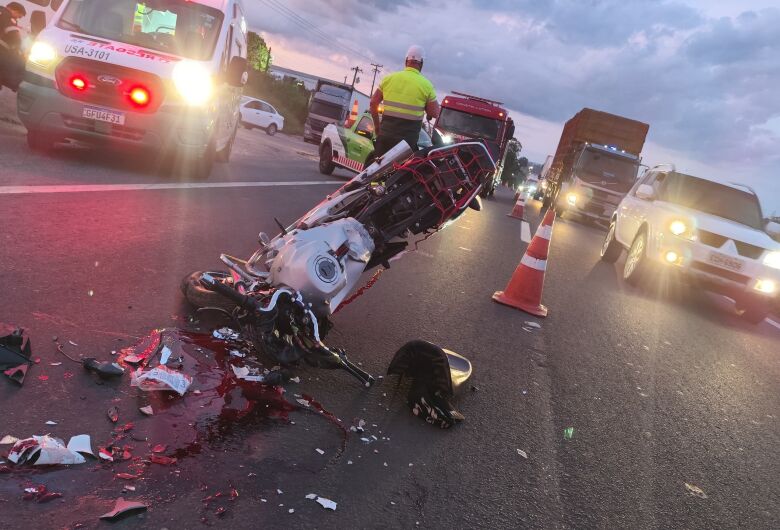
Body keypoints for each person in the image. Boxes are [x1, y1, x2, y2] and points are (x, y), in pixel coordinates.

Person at [370, 45, 440, 157]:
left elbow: (373, 103)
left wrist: (377, 128)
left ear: (406, 60)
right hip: (407, 143)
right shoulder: (426, 85)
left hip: (385, 137)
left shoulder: (389, 79)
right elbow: (435, 113)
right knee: (401, 172)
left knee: (377, 170)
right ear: (421, 63)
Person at [0, 2, 26, 91]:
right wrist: (19, 48)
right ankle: (15, 85)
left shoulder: (1, 11)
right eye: (18, 16)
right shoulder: (7, 15)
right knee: (17, 63)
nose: (17, 18)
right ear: (13, 10)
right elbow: (13, 34)